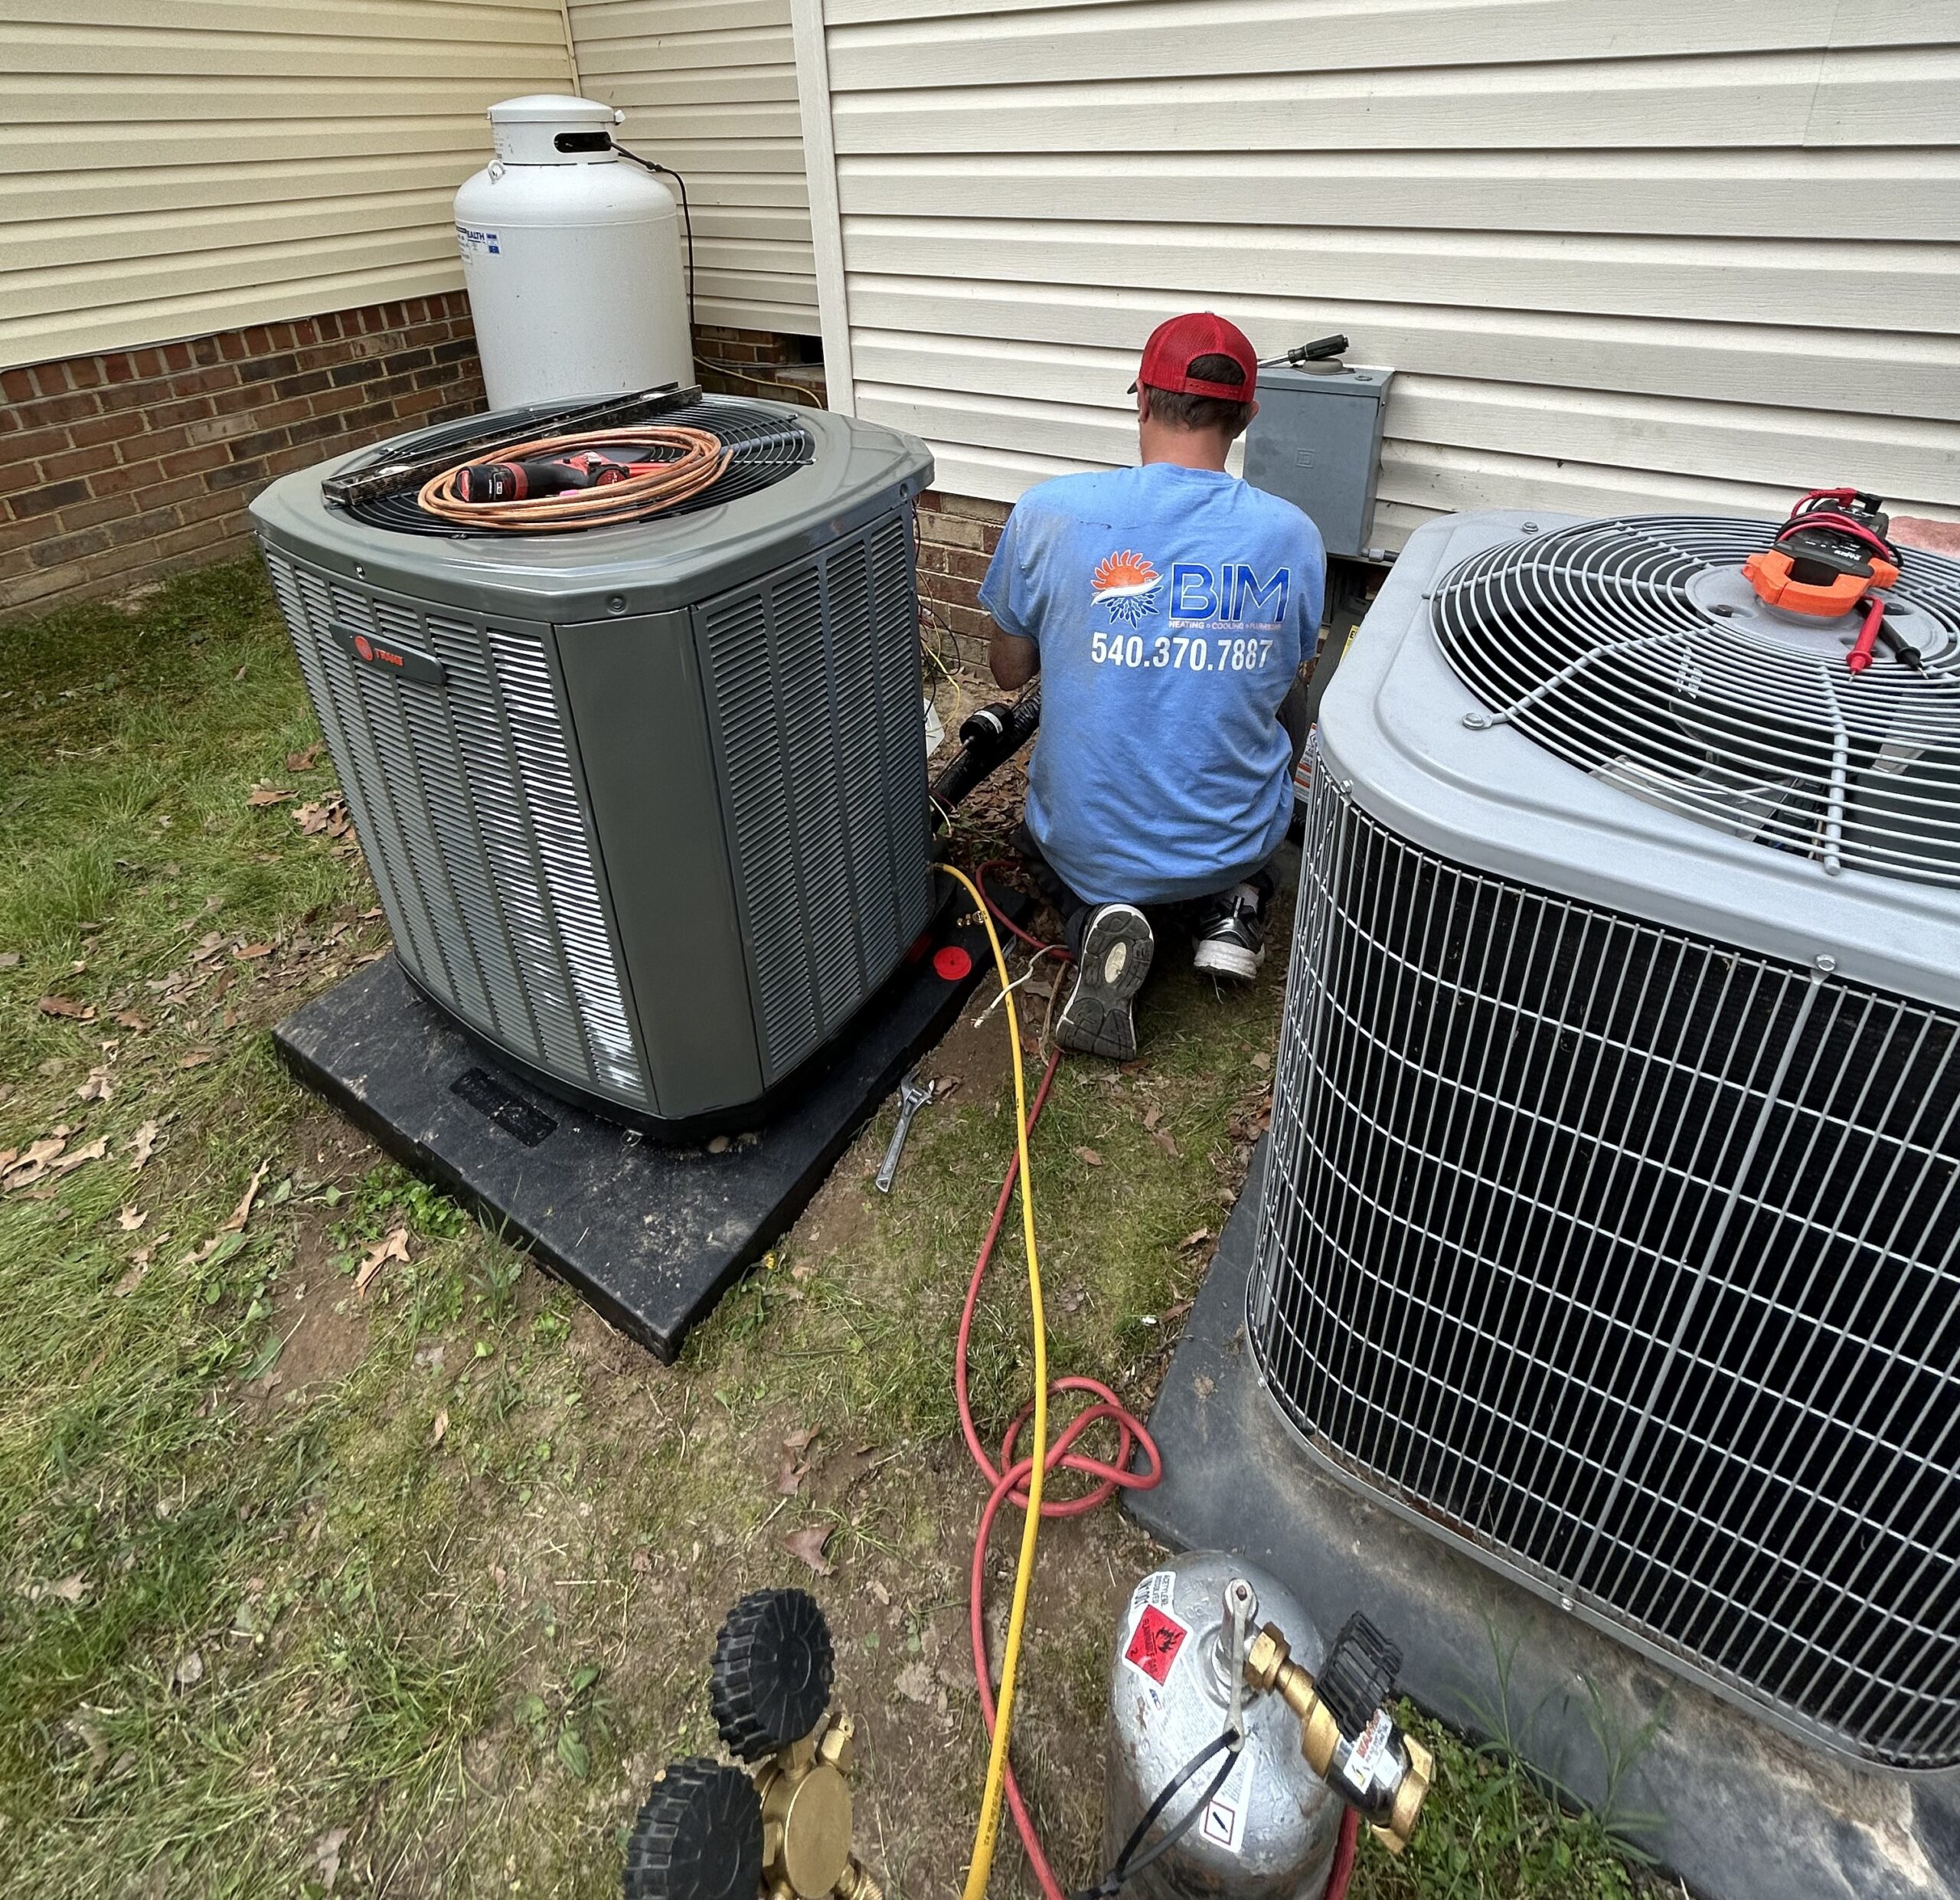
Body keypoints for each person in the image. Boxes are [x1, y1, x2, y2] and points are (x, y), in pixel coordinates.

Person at [976, 312, 1326, 1059]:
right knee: (1290, 698)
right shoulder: (1291, 535)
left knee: (1033, 844)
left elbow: (1008, 674)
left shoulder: (1050, 511)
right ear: (1247, 416)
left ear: (1141, 400)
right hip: (1228, 843)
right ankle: (1235, 900)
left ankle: (1096, 921)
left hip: (1083, 844)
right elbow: (1286, 674)